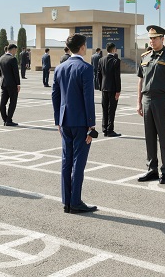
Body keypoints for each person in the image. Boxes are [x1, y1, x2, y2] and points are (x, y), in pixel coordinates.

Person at [52, 34, 97, 214]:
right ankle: (76, 201)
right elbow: (88, 98)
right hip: (80, 122)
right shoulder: (86, 68)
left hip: (65, 121)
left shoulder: (60, 67)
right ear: (82, 47)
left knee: (66, 161)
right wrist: (91, 125)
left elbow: (55, 96)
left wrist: (58, 120)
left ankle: (66, 201)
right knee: (78, 163)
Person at [136, 25, 165, 185]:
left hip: (163, 101)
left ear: (162, 39)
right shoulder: (145, 56)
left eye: (155, 38)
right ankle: (152, 169)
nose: (152, 41)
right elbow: (140, 80)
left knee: (164, 137)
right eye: (150, 38)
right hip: (147, 100)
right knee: (149, 137)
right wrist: (139, 102)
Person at [98, 42, 121, 137]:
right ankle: (110, 130)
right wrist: (118, 90)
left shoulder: (101, 60)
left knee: (104, 108)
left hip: (104, 88)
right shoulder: (116, 61)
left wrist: (100, 86)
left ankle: (104, 129)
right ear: (114, 50)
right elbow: (117, 77)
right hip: (112, 88)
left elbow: (99, 74)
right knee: (111, 109)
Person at [0, 44, 21, 126]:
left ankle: (5, 119)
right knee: (13, 102)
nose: (16, 52)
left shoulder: (1, 58)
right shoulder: (12, 59)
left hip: (3, 83)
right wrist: (18, 84)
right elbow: (16, 73)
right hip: (12, 84)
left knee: (3, 102)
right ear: (12, 49)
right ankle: (9, 120)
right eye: (15, 50)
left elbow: (0, 73)